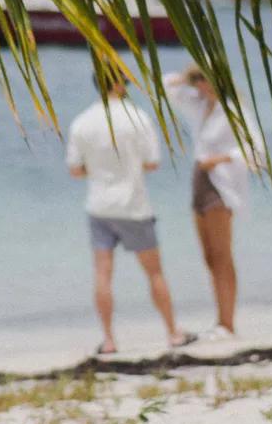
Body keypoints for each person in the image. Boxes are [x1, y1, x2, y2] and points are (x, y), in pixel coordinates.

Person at [65, 62, 194, 358]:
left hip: (99, 206)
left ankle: (109, 340)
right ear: (119, 85)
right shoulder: (138, 118)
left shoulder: (82, 122)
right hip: (134, 205)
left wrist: (97, 171)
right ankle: (173, 332)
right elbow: (152, 163)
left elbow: (74, 169)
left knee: (102, 274)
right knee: (154, 273)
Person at [167, 69, 260, 337]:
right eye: (199, 81)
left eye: (205, 79)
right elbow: (167, 87)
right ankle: (220, 319)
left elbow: (255, 151)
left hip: (221, 185)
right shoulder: (201, 106)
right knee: (208, 255)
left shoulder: (233, 109)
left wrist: (220, 159)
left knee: (221, 254)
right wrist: (187, 77)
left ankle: (227, 323)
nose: (201, 86)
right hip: (199, 180)